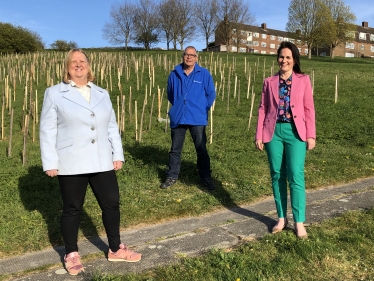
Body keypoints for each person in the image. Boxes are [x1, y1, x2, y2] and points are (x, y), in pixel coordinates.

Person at [40, 49, 141, 276]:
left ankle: (115, 248)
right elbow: (47, 129)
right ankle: (71, 253)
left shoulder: (102, 93)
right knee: (72, 209)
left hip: (102, 159)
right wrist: (50, 161)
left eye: (82, 61)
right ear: (66, 67)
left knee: (111, 203)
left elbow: (111, 125)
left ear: (89, 65)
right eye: (73, 62)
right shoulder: (55, 93)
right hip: (71, 160)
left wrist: (117, 154)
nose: (78, 65)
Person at [255, 42, 316, 239]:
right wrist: (259, 135)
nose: (284, 60)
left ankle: (299, 222)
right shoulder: (269, 81)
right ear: (278, 59)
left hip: (296, 132)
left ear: (295, 60)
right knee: (277, 174)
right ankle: (281, 218)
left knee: (296, 175)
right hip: (273, 133)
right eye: (282, 57)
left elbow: (309, 108)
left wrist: (311, 134)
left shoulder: (303, 80)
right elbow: (262, 108)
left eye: (288, 57)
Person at [160, 46, 216, 190]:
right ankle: (171, 176)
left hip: (197, 117)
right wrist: (179, 106)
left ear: (196, 58)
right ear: (183, 56)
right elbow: (170, 94)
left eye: (192, 55)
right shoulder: (174, 74)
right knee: (175, 150)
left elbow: (211, 94)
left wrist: (202, 108)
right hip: (178, 117)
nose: (189, 57)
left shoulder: (204, 74)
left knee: (201, 149)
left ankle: (206, 177)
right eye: (186, 55)